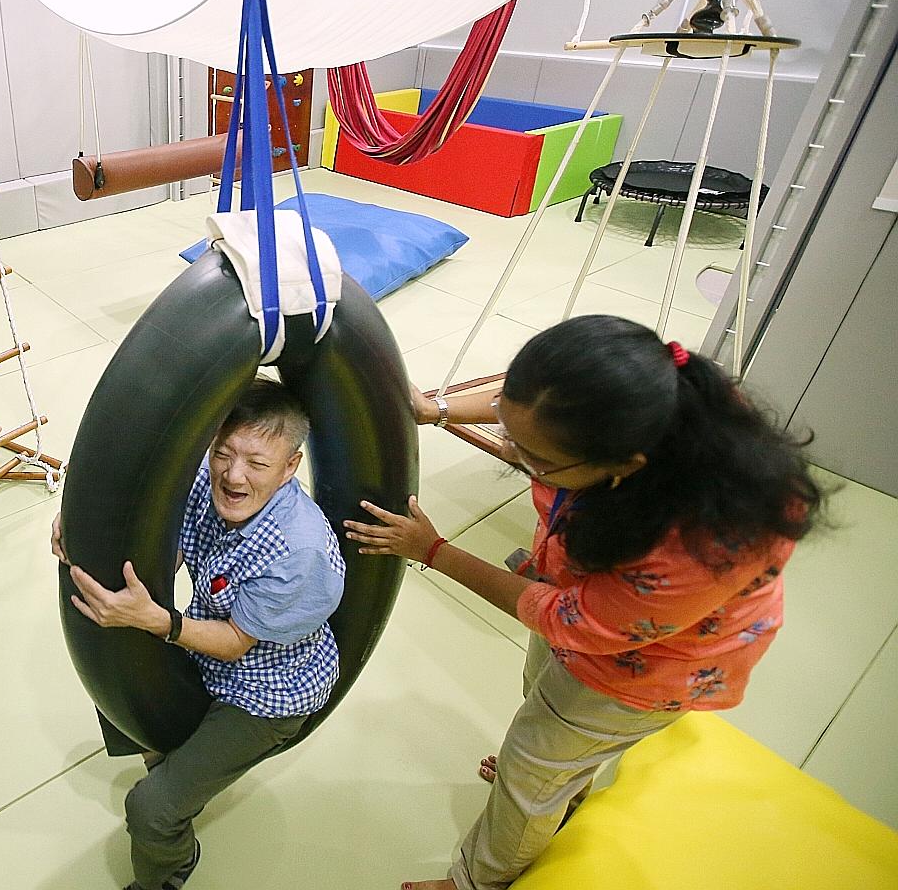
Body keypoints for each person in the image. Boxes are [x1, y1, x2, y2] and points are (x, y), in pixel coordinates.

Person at [342, 315, 822, 890]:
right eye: (510, 433)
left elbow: (570, 620)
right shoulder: (643, 403)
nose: (514, 453)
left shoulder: (696, 548)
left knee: (536, 758)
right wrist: (436, 409)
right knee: (545, 705)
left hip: (645, 668)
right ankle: (560, 783)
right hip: (592, 604)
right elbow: (525, 409)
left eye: (534, 458)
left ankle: (481, 879)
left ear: (622, 466)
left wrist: (435, 550)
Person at [54, 378, 346, 890]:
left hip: (267, 691)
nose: (234, 476)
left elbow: (236, 641)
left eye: (257, 464)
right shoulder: (205, 478)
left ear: (290, 467)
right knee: (120, 682)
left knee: (149, 809)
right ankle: (171, 765)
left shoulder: (299, 552)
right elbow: (152, 528)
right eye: (224, 453)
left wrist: (159, 621)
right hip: (208, 654)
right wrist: (76, 523)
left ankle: (167, 871)